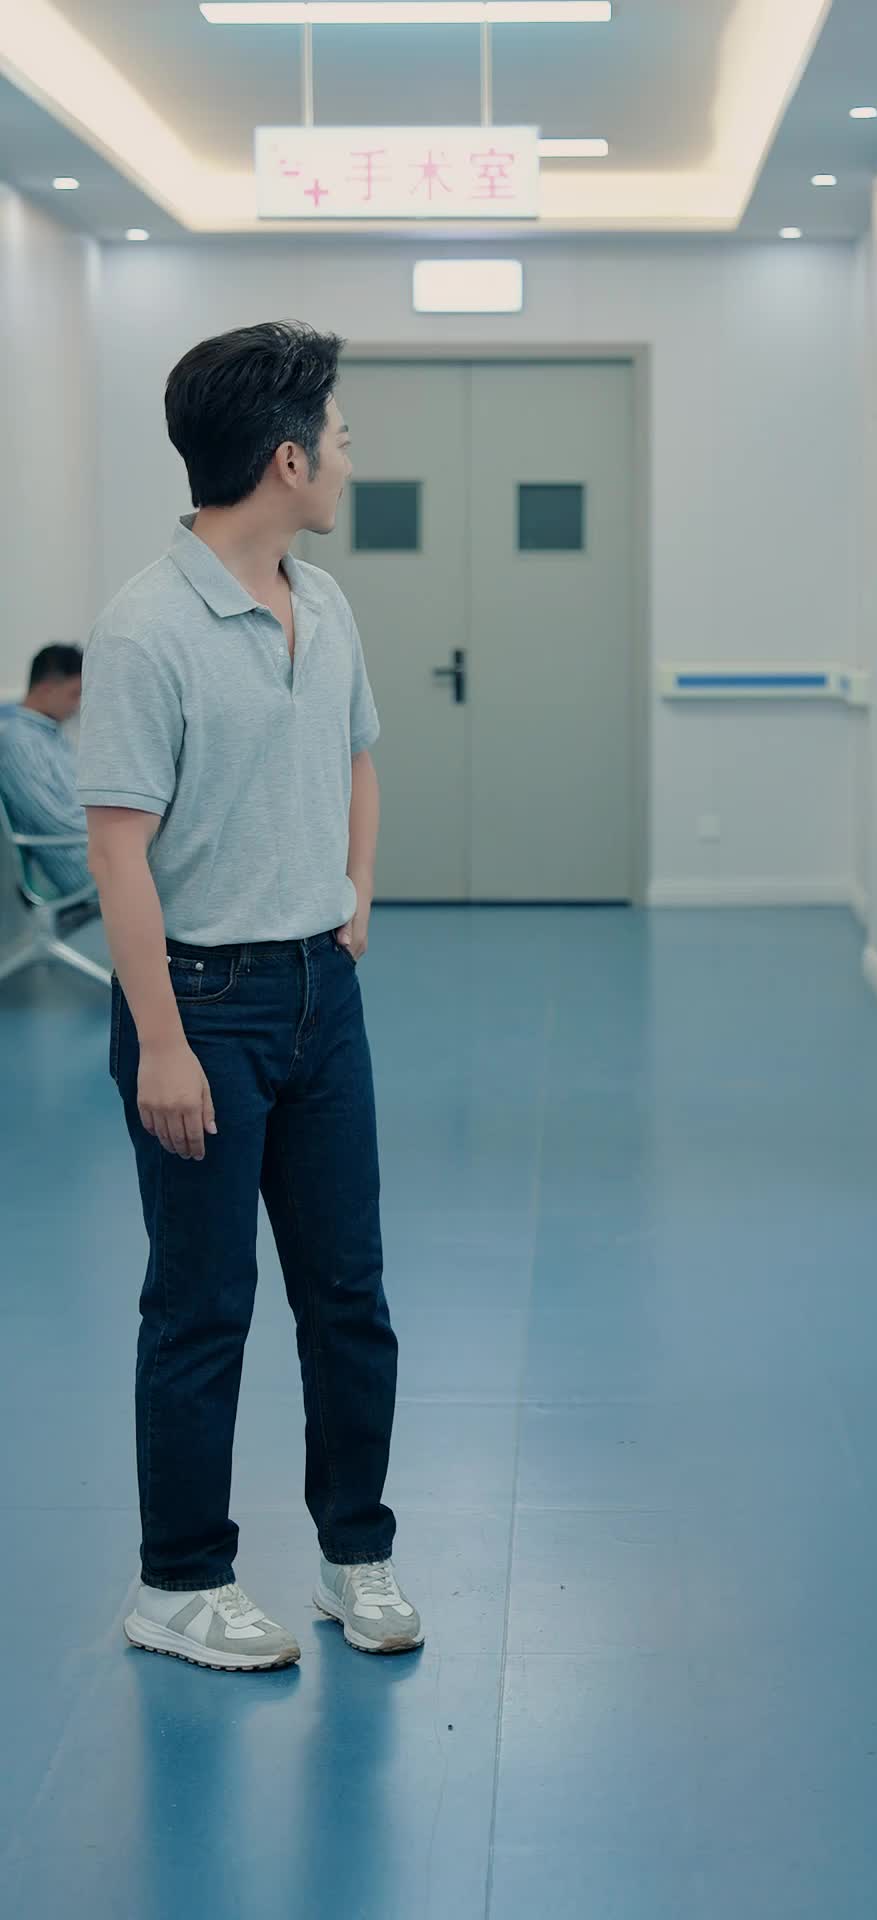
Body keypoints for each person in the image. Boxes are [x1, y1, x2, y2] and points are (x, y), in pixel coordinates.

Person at [77, 322, 421, 1671]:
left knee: (349, 1294)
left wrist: (357, 888)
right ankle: (178, 1582)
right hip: (201, 1003)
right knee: (204, 1302)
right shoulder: (146, 628)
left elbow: (358, 756)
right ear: (286, 459)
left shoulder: (322, 604)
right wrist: (162, 1044)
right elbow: (118, 851)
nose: (347, 458)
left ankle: (354, 1552)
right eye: (337, 437)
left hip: (320, 996)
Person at [0, 645, 90, 895]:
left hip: (93, 848)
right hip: (79, 866)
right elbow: (55, 821)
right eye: (74, 694)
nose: (78, 704)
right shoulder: (20, 743)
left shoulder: (51, 733)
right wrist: (116, 830)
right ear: (47, 689)